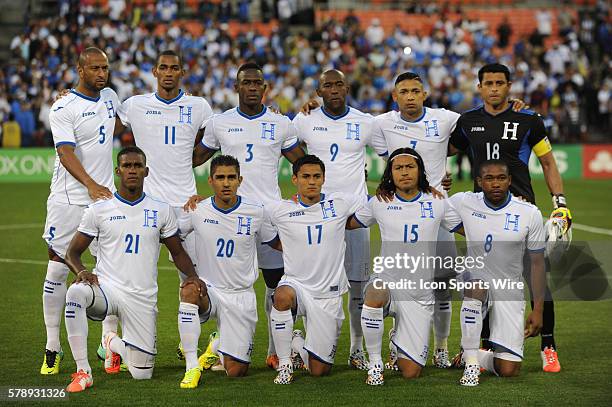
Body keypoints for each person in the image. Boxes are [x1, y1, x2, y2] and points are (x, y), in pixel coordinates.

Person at [449, 63, 571, 372]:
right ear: (479, 87)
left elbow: (547, 162)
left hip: (522, 211)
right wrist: (438, 178)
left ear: (509, 86)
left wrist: (560, 203)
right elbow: (442, 148)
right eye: (488, 83)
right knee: (485, 280)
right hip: (485, 213)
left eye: (499, 83)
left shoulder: (528, 120)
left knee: (536, 278)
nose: (493, 88)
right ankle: (482, 346)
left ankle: (548, 345)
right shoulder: (468, 121)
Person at [62, 146, 204, 392]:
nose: (132, 170)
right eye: (127, 166)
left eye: (137, 166)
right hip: (106, 289)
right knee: (75, 293)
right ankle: (83, 371)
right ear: (118, 171)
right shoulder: (98, 209)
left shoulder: (161, 210)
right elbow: (72, 252)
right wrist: (81, 271)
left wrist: (192, 277)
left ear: (146, 171)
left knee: (142, 374)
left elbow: (178, 252)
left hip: (141, 297)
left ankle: (111, 341)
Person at [192, 62, 305, 369]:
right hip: (228, 216)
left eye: (258, 83)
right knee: (226, 286)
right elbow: (192, 158)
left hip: (269, 215)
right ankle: (224, 344)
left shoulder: (280, 124)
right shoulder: (220, 123)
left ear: (265, 88)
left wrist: (307, 116)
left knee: (276, 284)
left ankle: (274, 351)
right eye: (247, 83)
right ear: (237, 87)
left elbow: (304, 162)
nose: (252, 87)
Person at [113, 49, 213, 361]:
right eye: (163, 68)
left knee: (194, 280)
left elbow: (217, 137)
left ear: (182, 72)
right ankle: (112, 341)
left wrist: (191, 163)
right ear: (155, 72)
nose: (168, 73)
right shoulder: (135, 104)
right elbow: (103, 119)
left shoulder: (198, 106)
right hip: (147, 208)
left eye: (174, 68)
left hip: (185, 207)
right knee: (131, 278)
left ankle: (190, 347)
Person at [292, 69, 387, 370]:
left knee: (358, 286)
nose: (333, 89)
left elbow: (395, 156)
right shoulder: (305, 120)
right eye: (326, 85)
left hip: (355, 216)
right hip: (317, 218)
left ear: (347, 87)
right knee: (314, 282)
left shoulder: (365, 122)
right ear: (318, 91)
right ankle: (307, 341)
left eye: (338, 84)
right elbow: (283, 147)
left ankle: (356, 349)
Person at [346, 147, 462, 385]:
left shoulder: (438, 201)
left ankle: (396, 339)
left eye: (410, 167)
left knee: (411, 372)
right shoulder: (379, 202)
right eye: (398, 167)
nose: (405, 172)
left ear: (420, 171)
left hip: (420, 295)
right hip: (387, 282)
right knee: (375, 292)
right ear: (391, 172)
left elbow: (467, 227)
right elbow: (348, 223)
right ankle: (375, 364)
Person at [40, 47, 118, 375]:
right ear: (80, 69)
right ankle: (52, 346)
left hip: (103, 200)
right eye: (95, 68)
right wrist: (89, 184)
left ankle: (107, 345)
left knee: (112, 271)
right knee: (58, 268)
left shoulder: (111, 97)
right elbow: (65, 153)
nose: (102, 73)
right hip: (68, 200)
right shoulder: (63, 107)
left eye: (105, 68)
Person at [177, 155, 277, 388]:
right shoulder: (197, 210)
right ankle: (192, 367)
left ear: (240, 180)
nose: (226, 183)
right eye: (220, 177)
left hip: (241, 296)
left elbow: (276, 243)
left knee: (236, 371)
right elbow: (171, 235)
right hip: (209, 290)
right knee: (189, 290)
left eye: (231, 177)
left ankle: (216, 345)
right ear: (210, 180)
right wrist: (190, 272)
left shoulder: (256, 212)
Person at [447, 159, 545, 386]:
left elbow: (538, 263)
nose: (496, 184)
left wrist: (538, 309)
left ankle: (472, 355)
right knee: (475, 286)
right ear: (479, 182)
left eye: (501, 178)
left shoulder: (529, 213)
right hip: (475, 280)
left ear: (510, 181)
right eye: (489, 179)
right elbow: (431, 205)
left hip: (509, 289)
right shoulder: (463, 201)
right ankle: (472, 365)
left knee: (508, 370)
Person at [266, 155, 363, 384]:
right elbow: (250, 216)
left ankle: (297, 341)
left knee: (319, 371)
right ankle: (285, 364)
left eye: (316, 176)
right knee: (280, 296)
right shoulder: (280, 210)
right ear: (295, 179)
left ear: (323, 179)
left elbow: (379, 201)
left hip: (328, 295)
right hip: (296, 285)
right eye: (306, 176)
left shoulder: (340, 203)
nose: (311, 181)